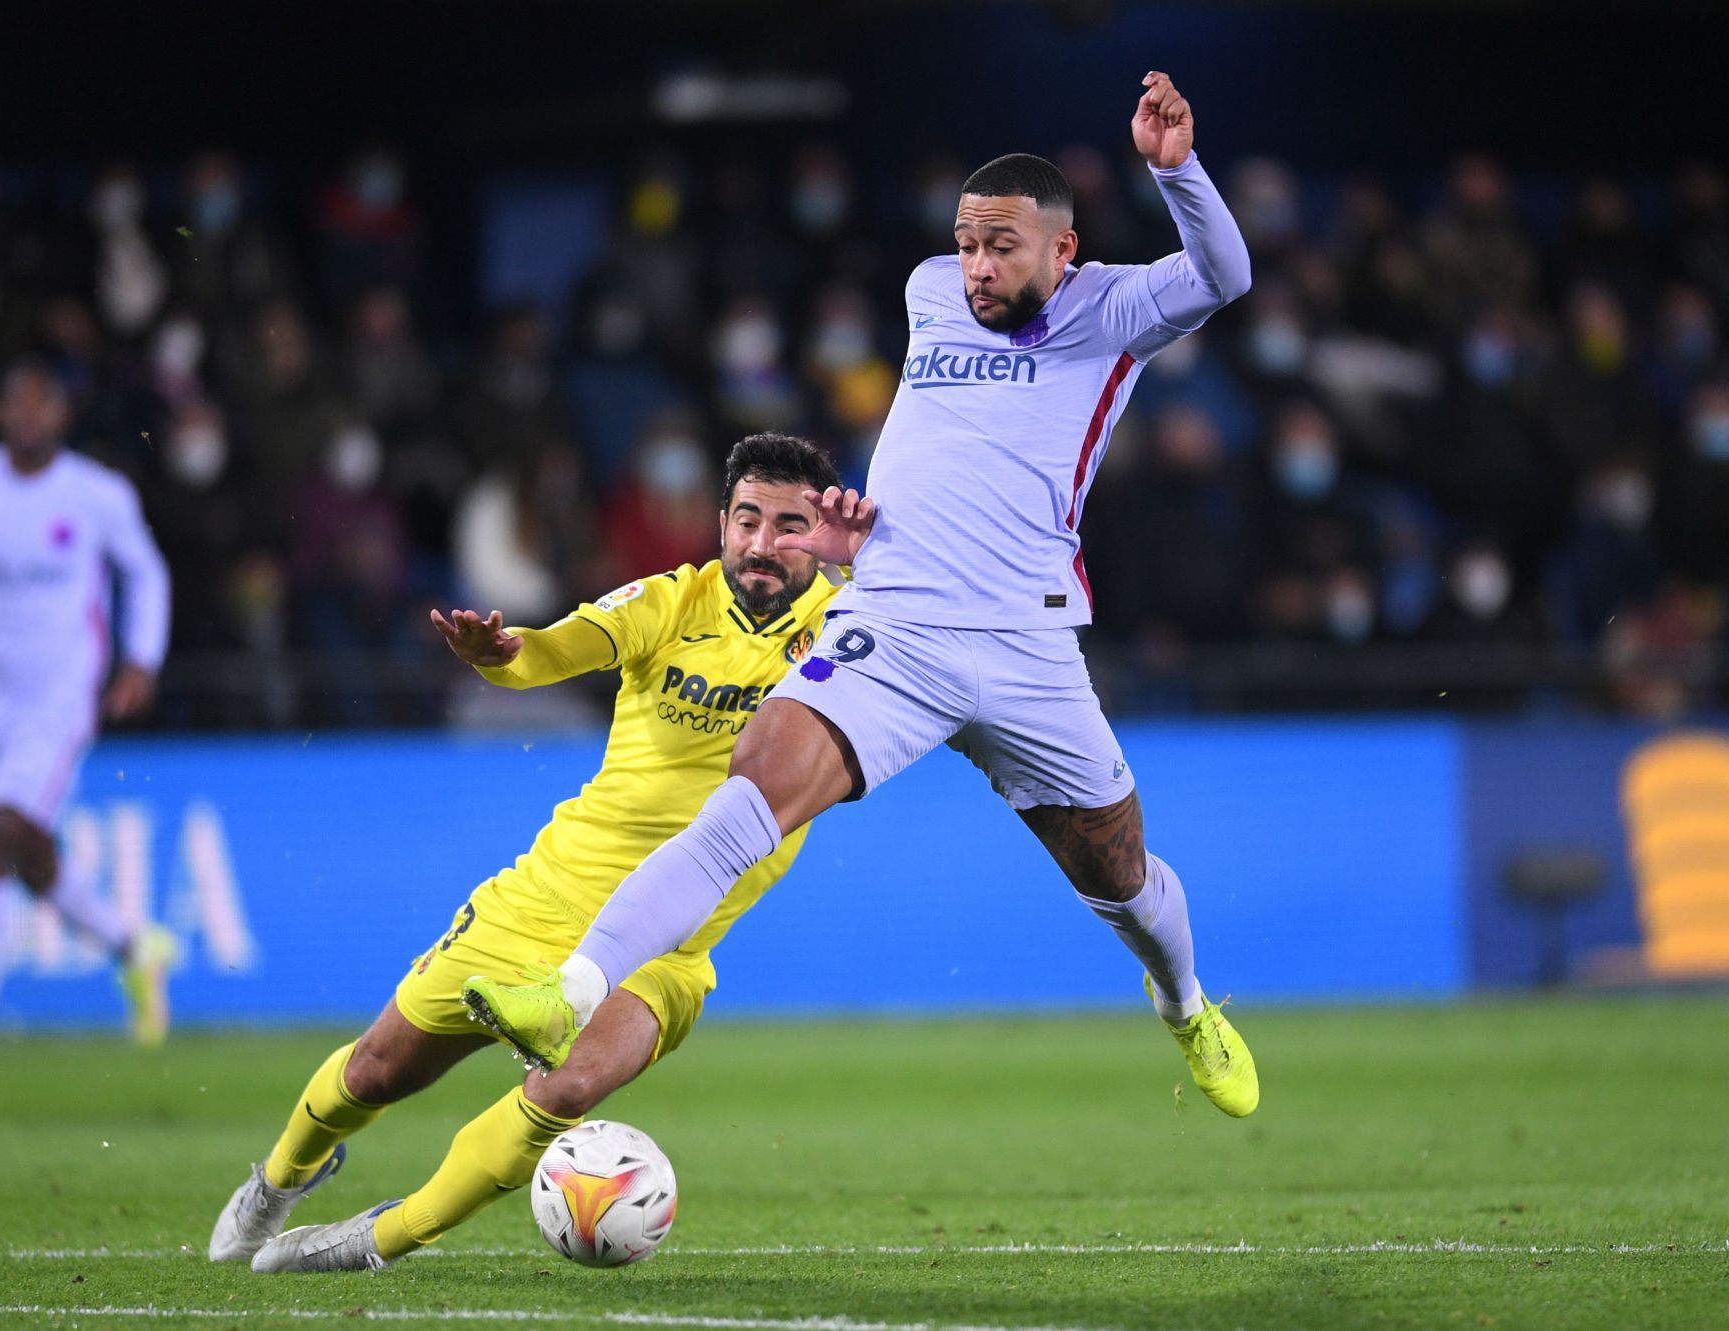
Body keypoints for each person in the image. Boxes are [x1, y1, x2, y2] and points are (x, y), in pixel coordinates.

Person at [465, 72, 1262, 1118]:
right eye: (968, 241)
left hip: (1029, 646)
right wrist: (856, 552)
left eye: (1003, 246)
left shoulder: (1115, 308)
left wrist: (1178, 172)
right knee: (755, 781)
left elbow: (1228, 272)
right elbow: (940, 449)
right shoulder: (930, 289)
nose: (976, 266)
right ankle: (567, 989)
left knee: (1120, 878)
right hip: (897, 624)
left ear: (1063, 249)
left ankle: (1187, 1003)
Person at [214, 433, 847, 1273]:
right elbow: (561, 644)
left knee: (570, 1086)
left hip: (670, 946)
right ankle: (281, 1176)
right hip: (545, 898)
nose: (763, 544)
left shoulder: (851, 631)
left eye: (790, 525)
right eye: (747, 520)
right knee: (375, 1070)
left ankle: (377, 1238)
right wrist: (504, 656)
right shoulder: (672, 600)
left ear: (825, 533)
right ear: (721, 523)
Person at [0, 359, 176, 1119]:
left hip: (61, 699)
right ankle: (132, 945)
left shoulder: (96, 493)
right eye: (15, 400)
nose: (28, 413)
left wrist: (140, 656)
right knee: (29, 853)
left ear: (62, 415)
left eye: (41, 401)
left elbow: (145, 574)